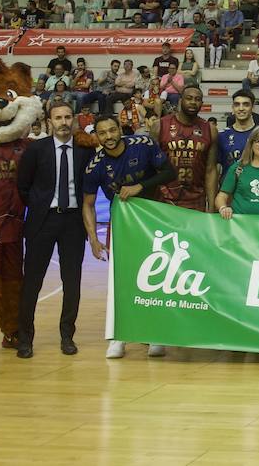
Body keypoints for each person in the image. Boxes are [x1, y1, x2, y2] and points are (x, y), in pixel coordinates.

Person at [81, 116, 176, 360]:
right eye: (102, 133)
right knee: (122, 279)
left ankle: (155, 335)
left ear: (120, 130)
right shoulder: (95, 166)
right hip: (123, 224)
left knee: (157, 277)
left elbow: (169, 172)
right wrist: (92, 238)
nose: (109, 136)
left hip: (155, 219)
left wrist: (140, 187)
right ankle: (119, 337)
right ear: (97, 137)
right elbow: (88, 204)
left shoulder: (143, 143)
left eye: (112, 130)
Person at [15, 104, 94, 358]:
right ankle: (25, 338)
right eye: (58, 117)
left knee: (72, 283)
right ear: (49, 121)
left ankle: (67, 335)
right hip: (42, 221)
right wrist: (40, 207)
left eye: (67, 117)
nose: (63, 122)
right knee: (32, 282)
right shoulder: (36, 149)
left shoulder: (84, 151)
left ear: (74, 120)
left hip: (73, 222)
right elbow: (23, 186)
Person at [151, 84, 219, 212]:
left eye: (197, 99)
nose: (193, 102)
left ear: (202, 103)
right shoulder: (159, 126)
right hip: (164, 199)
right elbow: (151, 167)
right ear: (180, 100)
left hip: (195, 199)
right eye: (189, 98)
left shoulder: (210, 130)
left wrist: (211, 206)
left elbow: (211, 170)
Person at [217, 90, 259, 173]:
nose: (241, 108)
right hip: (228, 185)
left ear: (253, 107)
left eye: (246, 104)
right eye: (237, 104)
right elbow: (216, 168)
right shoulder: (222, 135)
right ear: (233, 107)